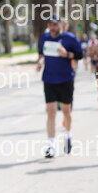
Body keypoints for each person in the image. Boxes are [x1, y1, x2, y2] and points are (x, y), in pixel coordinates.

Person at [36, 16, 83, 158]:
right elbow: (41, 53)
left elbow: (80, 55)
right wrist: (40, 62)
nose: (52, 27)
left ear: (60, 25)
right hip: (49, 79)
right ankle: (51, 146)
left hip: (65, 79)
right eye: (50, 25)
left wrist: (67, 54)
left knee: (66, 111)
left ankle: (68, 135)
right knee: (51, 112)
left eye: (54, 25)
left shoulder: (69, 38)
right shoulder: (44, 37)